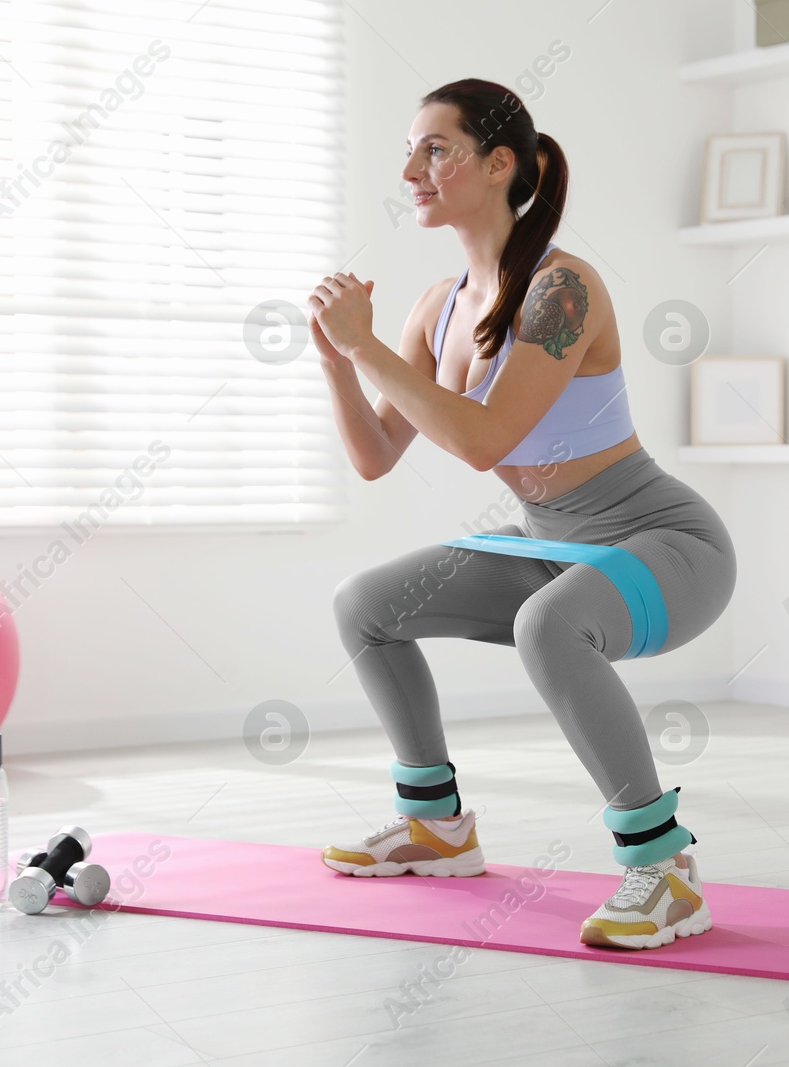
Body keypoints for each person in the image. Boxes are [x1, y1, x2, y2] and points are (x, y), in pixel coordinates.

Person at [305, 77, 736, 950]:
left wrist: (366, 345)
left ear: (500, 164)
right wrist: (339, 363)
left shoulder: (560, 288)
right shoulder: (438, 306)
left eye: (436, 149)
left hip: (661, 543)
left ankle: (663, 869)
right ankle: (435, 826)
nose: (412, 168)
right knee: (364, 604)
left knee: (549, 626)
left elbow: (481, 437)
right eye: (411, 148)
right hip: (551, 543)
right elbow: (376, 457)